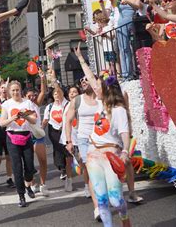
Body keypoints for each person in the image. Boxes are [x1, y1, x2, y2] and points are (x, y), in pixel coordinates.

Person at [75, 43, 131, 227]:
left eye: (98, 85)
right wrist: (81, 59)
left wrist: (124, 154)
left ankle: (124, 217)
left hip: (111, 156)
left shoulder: (119, 110)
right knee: (101, 200)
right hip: (93, 154)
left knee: (116, 200)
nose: (94, 87)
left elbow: (125, 135)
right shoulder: (99, 103)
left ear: (105, 89)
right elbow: (91, 77)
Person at [65, 76, 102, 221]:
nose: (84, 82)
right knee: (92, 171)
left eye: (87, 79)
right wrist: (69, 141)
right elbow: (68, 121)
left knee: (102, 171)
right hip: (84, 140)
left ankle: (102, 195)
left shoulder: (101, 98)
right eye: (81, 81)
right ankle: (97, 207)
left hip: (101, 140)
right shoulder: (77, 100)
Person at [0, 80, 38, 208]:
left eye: (17, 90)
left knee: (29, 167)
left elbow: (34, 119)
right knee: (17, 167)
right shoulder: (6, 104)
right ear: (10, 92)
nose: (16, 92)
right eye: (13, 90)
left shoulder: (28, 103)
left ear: (21, 90)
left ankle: (28, 185)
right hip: (12, 137)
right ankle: (21, 195)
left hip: (26, 136)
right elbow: (1, 123)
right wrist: (12, 118)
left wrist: (25, 116)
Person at [25, 70, 49, 196]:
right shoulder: (23, 106)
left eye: (33, 95)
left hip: (38, 135)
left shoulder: (36, 104)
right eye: (29, 96)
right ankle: (33, 184)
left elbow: (43, 92)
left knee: (43, 161)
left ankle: (43, 184)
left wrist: (42, 77)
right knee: (29, 163)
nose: (32, 98)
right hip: (27, 136)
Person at [42, 72, 70, 181]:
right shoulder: (49, 107)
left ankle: (68, 166)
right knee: (58, 149)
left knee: (66, 148)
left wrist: (53, 78)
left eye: (58, 94)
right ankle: (62, 169)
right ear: (52, 96)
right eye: (55, 94)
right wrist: (40, 130)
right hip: (53, 131)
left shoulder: (65, 104)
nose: (57, 95)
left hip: (65, 130)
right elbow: (45, 120)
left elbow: (58, 90)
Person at [59, 85, 80, 192]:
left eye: (75, 92)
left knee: (83, 163)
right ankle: (69, 180)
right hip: (67, 139)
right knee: (68, 161)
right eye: (71, 92)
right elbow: (58, 90)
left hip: (79, 138)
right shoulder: (66, 104)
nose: (72, 94)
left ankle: (87, 184)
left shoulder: (82, 104)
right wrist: (52, 79)